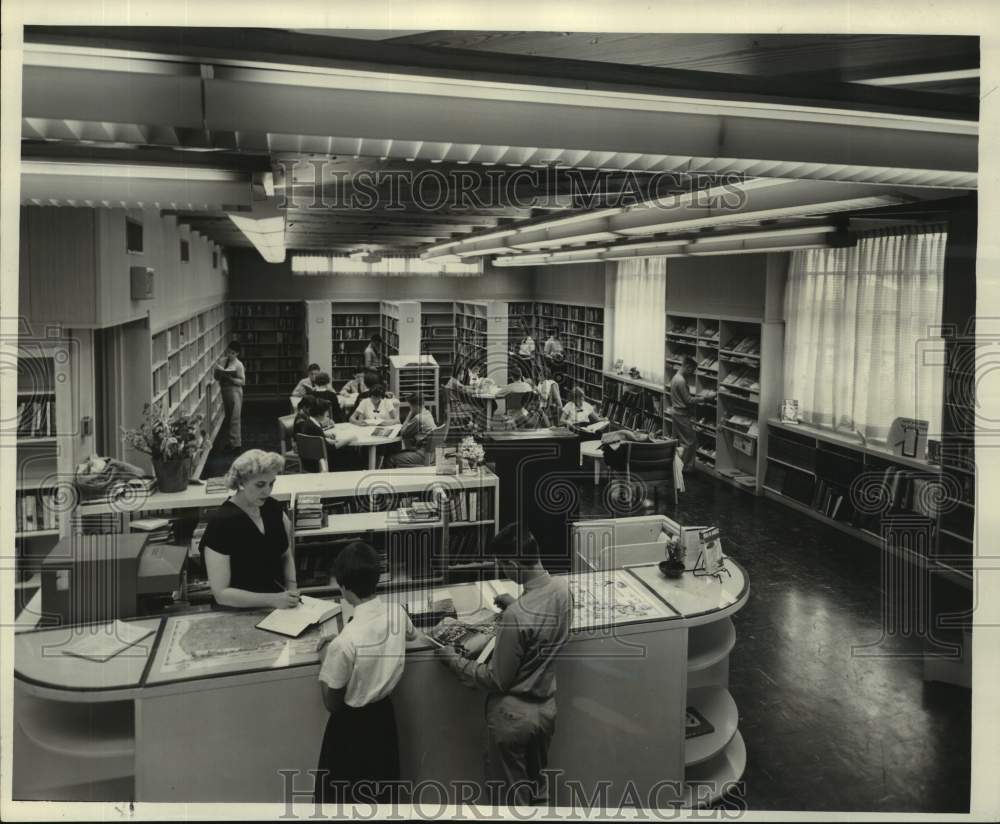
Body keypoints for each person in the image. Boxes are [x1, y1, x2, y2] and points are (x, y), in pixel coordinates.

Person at [435, 524, 572, 806]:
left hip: (513, 719)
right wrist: (516, 604)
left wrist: (453, 660)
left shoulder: (517, 616)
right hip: (545, 710)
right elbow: (541, 622)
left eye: (502, 564)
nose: (502, 570)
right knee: (537, 792)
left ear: (512, 563)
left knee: (511, 805)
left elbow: (497, 680)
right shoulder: (562, 589)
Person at [315, 541, 418, 805]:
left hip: (351, 729)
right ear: (377, 579)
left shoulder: (342, 643)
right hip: (383, 719)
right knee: (382, 794)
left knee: (343, 799)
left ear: (344, 587)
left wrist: (325, 654)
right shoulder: (397, 612)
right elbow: (412, 635)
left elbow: (332, 702)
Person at [199, 449, 300, 609]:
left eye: (271, 483)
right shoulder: (221, 524)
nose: (267, 491)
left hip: (279, 606)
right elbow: (221, 594)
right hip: (238, 611)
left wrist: (292, 588)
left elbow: (286, 555)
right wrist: (273, 599)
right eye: (260, 484)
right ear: (241, 483)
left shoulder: (273, 508)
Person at [293, 396, 354, 472]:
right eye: (326, 412)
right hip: (319, 463)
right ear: (319, 415)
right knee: (352, 454)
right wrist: (349, 439)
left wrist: (329, 440)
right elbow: (331, 448)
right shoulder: (313, 427)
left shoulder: (310, 422)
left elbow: (320, 442)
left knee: (348, 451)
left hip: (311, 459)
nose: (328, 414)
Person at [388, 393, 437, 467]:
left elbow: (403, 433)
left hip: (423, 455)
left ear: (414, 406)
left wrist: (410, 414)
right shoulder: (428, 413)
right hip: (432, 454)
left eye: (410, 406)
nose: (410, 408)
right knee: (397, 451)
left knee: (390, 459)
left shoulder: (418, 418)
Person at [215, 341, 246, 452]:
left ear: (237, 354)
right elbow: (216, 376)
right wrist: (218, 374)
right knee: (228, 417)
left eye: (233, 353)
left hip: (235, 391)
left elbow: (242, 382)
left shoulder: (238, 365)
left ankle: (237, 444)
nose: (230, 355)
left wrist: (232, 379)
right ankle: (230, 441)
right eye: (228, 352)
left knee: (235, 417)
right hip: (225, 390)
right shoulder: (223, 361)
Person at [670, 357, 698, 474]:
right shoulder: (681, 381)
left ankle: (678, 465)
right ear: (687, 367)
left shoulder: (675, 377)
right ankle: (685, 468)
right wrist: (705, 399)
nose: (693, 373)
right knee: (690, 441)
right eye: (692, 370)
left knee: (682, 441)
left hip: (676, 412)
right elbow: (689, 400)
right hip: (682, 413)